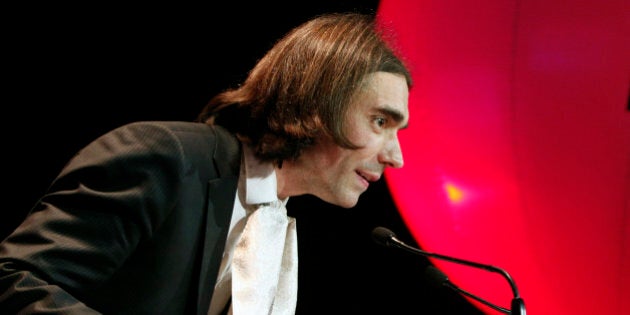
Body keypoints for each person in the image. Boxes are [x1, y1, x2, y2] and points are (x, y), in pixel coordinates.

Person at [0, 12, 412, 314]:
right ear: (320, 101)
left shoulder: (275, 221)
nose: (395, 156)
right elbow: (14, 278)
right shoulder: (166, 158)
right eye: (380, 121)